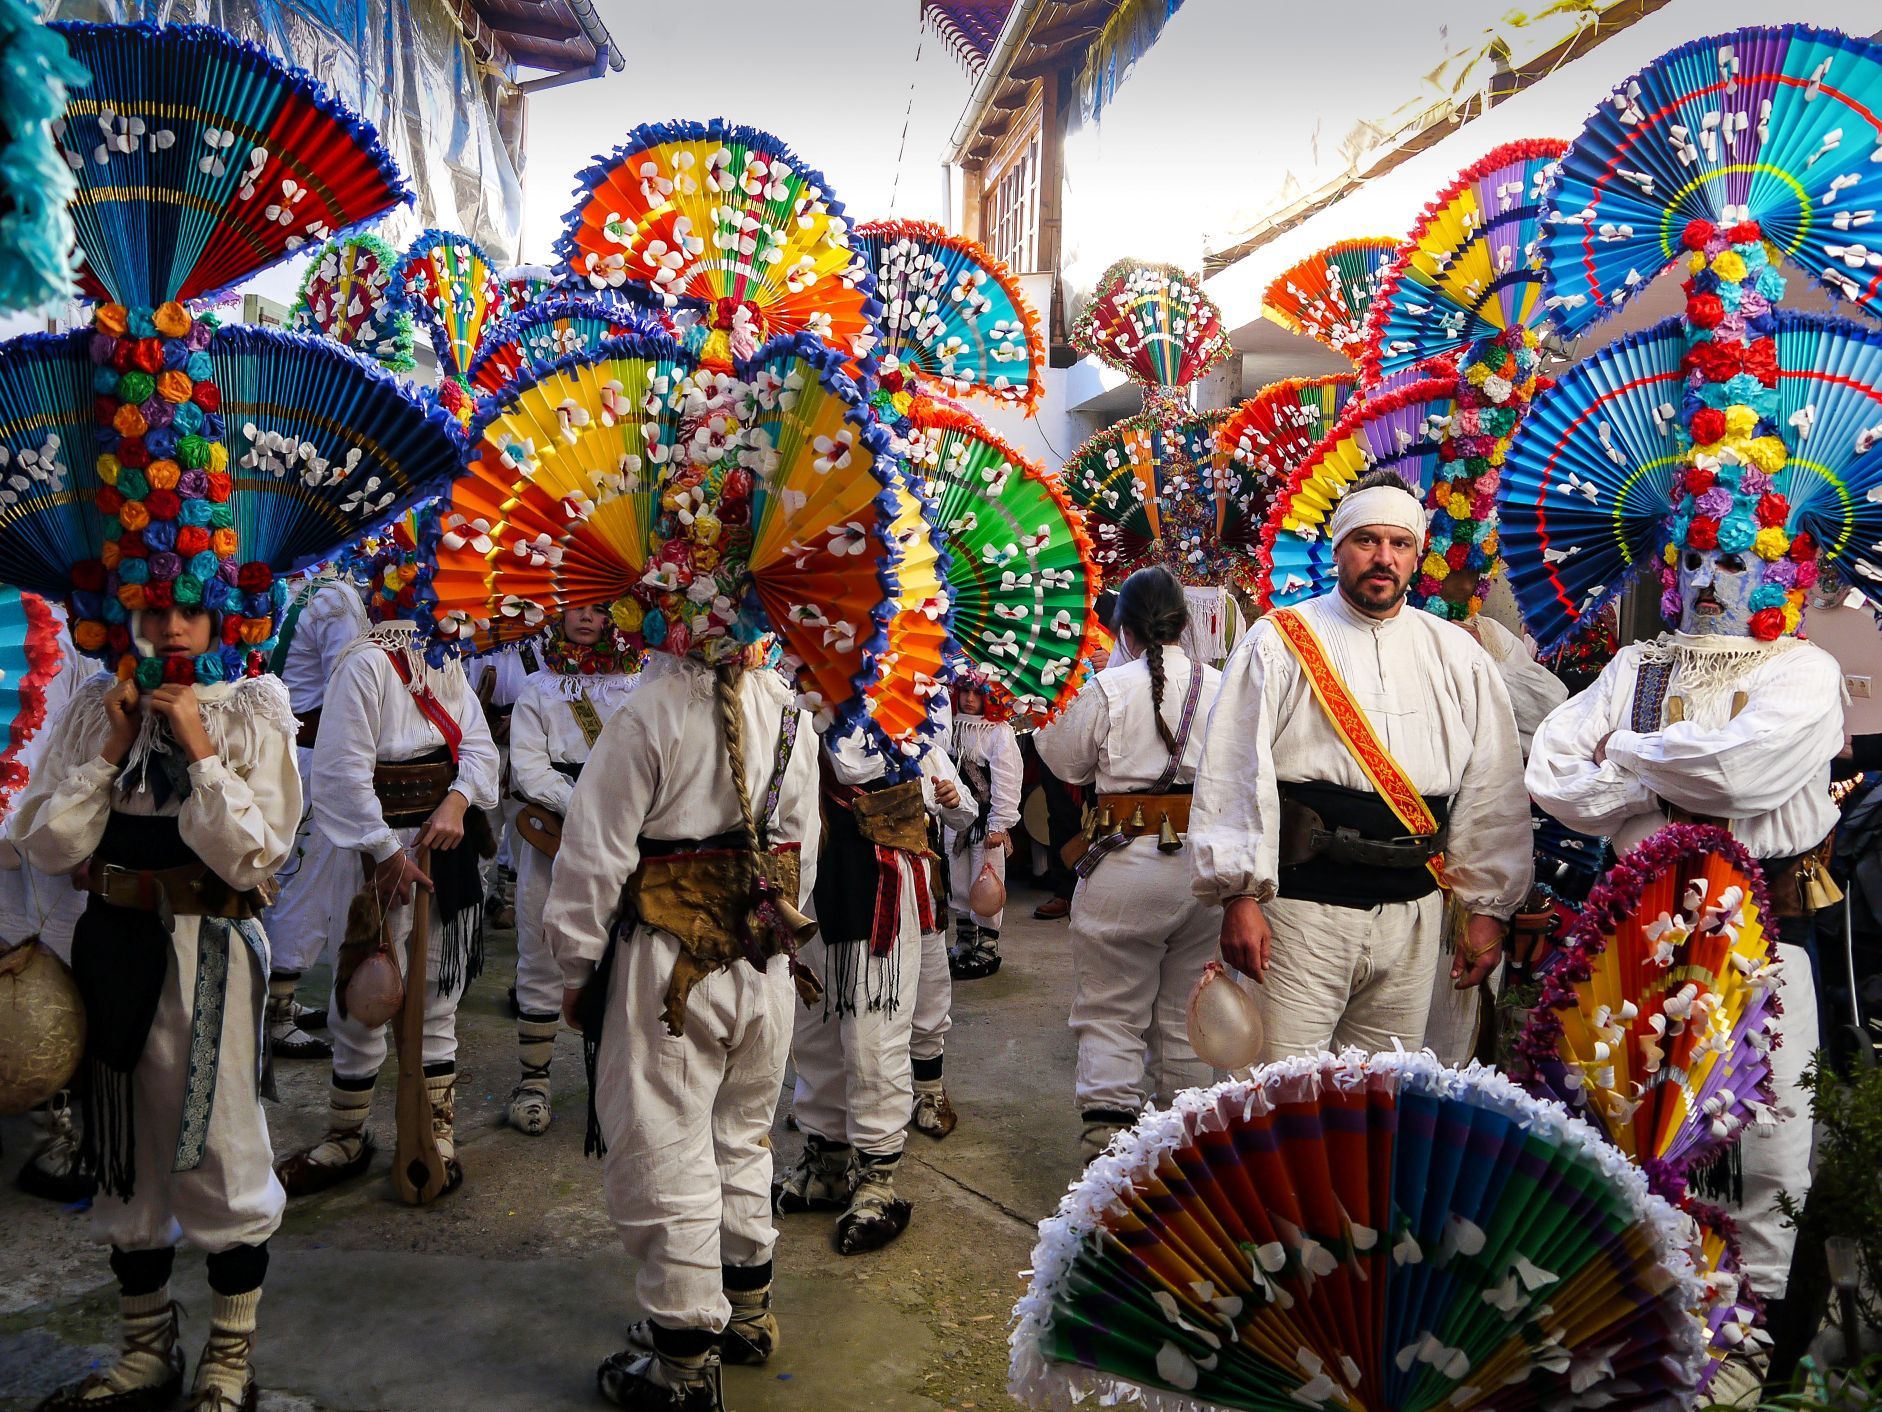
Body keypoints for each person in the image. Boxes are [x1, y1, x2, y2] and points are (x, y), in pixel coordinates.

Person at [1526, 465, 1840, 1395]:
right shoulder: (1638, 664)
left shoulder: (1805, 670)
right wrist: (1657, 772)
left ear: (1776, 571)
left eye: (1733, 559)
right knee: (1621, 1122)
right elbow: (1552, 769)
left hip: (1760, 936)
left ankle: (1743, 1346)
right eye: (1693, 557)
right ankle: (1633, 1334)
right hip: (1635, 933)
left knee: (1759, 1139)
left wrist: (1620, 753)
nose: (1708, 579)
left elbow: (1744, 779)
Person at [17, 601, 301, 1412]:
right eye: (148, 609)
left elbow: (257, 855)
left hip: (206, 946)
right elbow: (45, 845)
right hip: (110, 943)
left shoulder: (251, 706)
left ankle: (229, 1358)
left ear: (224, 618)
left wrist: (200, 750)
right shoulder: (93, 706)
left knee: (219, 1145)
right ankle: (146, 1348)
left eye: (191, 611)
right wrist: (110, 746)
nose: (171, 629)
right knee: (125, 1152)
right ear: (117, 613)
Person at [547, 638, 817, 1410]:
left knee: (669, 1146)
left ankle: (684, 1365)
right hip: (765, 961)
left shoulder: (649, 713)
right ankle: (749, 1311)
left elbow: (593, 858)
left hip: (669, 969)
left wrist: (576, 967)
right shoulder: (788, 708)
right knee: (741, 1133)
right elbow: (804, 850)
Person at [1190, 471, 1532, 1062]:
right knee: (1277, 1095)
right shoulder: (1280, 641)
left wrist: (1486, 910)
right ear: (1338, 547)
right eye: (1366, 541)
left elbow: (1491, 789)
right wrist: (1239, 896)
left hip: (1413, 917)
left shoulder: (1457, 655)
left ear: (1416, 556)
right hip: (1300, 917)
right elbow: (1235, 771)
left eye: (1399, 544)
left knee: (1378, 1103)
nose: (1383, 558)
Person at [272, 618, 500, 1199]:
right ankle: (347, 1135)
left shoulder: (444, 658)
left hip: (440, 846)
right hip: (374, 853)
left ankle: (436, 1132)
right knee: (363, 996)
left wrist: (456, 801)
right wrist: (381, 852)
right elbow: (340, 774)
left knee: (436, 999)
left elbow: (476, 745)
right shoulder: (364, 664)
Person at [1035, 567, 1224, 1158]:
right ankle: (1182, 1163)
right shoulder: (1222, 686)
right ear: (1183, 623)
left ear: (1124, 627)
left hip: (1124, 864)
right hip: (1204, 870)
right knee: (1188, 1013)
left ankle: (1107, 1160)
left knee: (1112, 1012)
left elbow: (1063, 761)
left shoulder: (1108, 688)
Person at [774, 725, 974, 1254]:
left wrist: (943, 795)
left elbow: (962, 810)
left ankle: (877, 1178)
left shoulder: (904, 715)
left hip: (880, 885)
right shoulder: (785, 704)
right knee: (813, 1028)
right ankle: (827, 1160)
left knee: (872, 1034)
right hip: (809, 884)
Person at [504, 605, 638, 1135]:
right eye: (576, 608)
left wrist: (620, 811)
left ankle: (617, 1084)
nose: (586, 619)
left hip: (624, 837)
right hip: (555, 834)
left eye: (598, 609)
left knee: (624, 955)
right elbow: (530, 768)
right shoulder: (539, 688)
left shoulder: (638, 684)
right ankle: (533, 1081)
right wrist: (583, 804)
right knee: (540, 947)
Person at [258, 570, 369, 1060]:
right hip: (310, 754)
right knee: (305, 877)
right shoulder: (335, 600)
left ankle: (274, 996)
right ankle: (275, 1012)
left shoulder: (274, 585)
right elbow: (347, 685)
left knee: (282, 869)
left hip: (273, 751)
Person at [944, 669, 1022, 981]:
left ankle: (988, 943)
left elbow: (1007, 779)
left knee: (987, 880)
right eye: (964, 691)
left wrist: (999, 825)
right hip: (954, 821)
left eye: (977, 692)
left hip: (985, 825)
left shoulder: (997, 731)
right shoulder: (946, 727)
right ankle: (964, 941)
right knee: (959, 879)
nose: (970, 698)